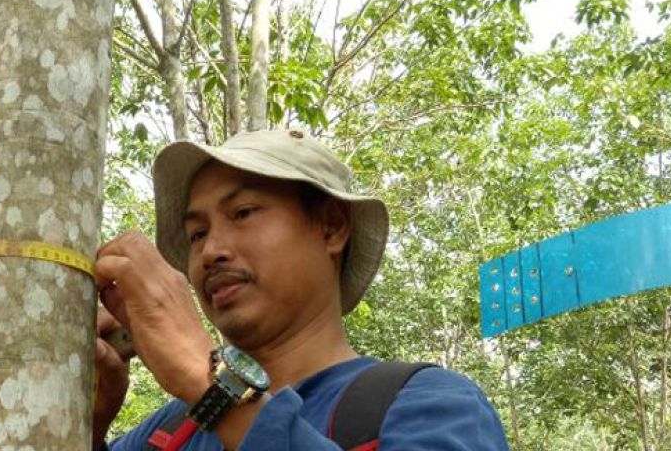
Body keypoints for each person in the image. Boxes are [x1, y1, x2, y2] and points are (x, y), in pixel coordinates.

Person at [92, 128, 509, 450]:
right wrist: (84, 426)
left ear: (332, 226)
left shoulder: (431, 407)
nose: (211, 251)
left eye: (243, 212)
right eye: (198, 233)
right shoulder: (163, 435)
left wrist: (211, 386)